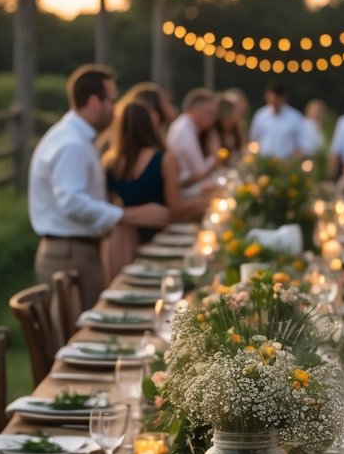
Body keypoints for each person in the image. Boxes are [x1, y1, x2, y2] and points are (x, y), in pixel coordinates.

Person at [28, 64, 170, 309]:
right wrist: (129, 215)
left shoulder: (74, 137)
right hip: (70, 252)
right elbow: (71, 202)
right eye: (110, 100)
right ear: (94, 102)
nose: (114, 109)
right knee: (80, 337)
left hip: (73, 249)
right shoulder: (72, 144)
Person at [100, 99, 210, 280]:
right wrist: (203, 202)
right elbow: (175, 208)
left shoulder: (110, 162)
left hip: (117, 241)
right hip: (155, 240)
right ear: (150, 125)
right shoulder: (165, 159)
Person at [165, 88, 219, 194]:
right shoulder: (185, 132)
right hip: (184, 190)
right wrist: (216, 157)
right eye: (210, 113)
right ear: (196, 110)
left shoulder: (185, 126)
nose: (213, 118)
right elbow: (200, 171)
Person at [249, 82, 308, 158]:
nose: (275, 102)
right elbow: (254, 140)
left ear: (283, 98)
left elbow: (301, 144)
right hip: (264, 163)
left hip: (287, 163)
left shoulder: (295, 118)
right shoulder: (260, 116)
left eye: (277, 99)